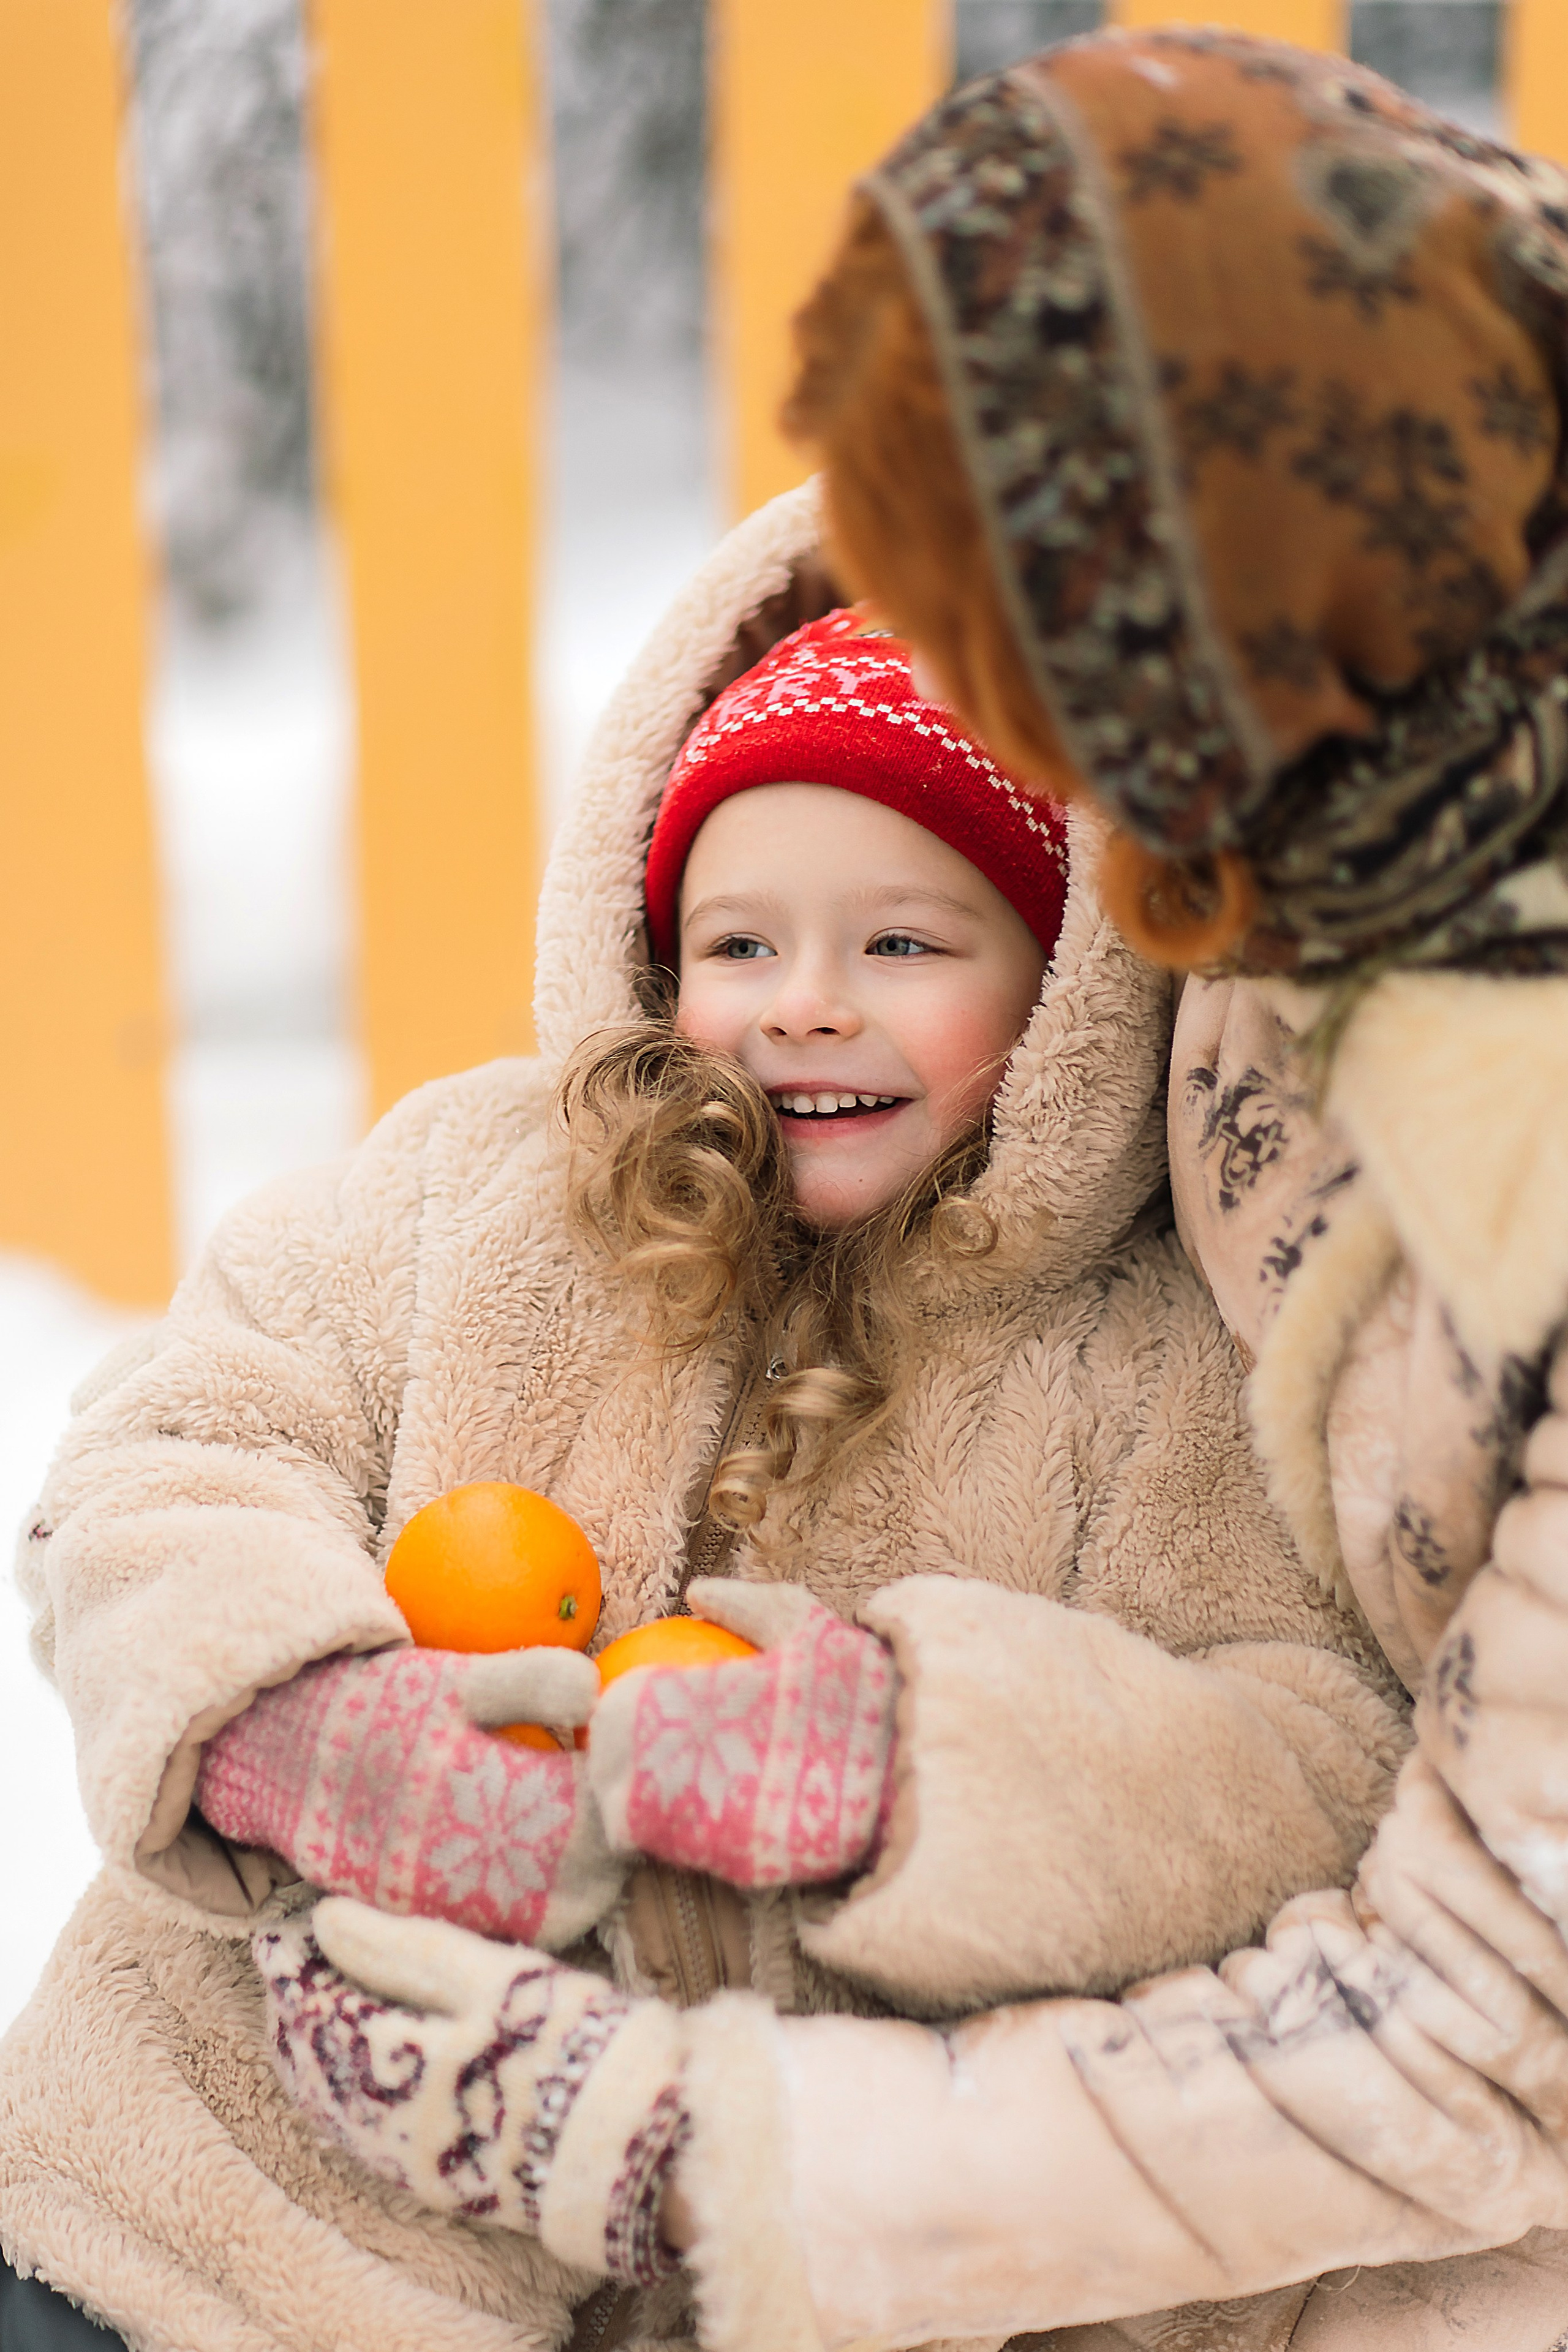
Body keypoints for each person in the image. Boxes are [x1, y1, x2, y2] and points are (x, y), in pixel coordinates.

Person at [268, 25, 1568, 2352]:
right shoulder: (1315, 862)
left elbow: (1481, 2018)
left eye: (1032, 634)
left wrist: (702, 2157)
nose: (1006, 720)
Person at [0, 505, 1401, 2351]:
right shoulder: (477, 1194)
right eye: (742, 942)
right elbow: (181, 1443)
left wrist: (922, 1767)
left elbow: (1307, 1752)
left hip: (814, 2241)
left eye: (903, 940)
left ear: (1068, 987)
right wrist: (295, 1722)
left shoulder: (1157, 1355)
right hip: (263, 2191)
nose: (806, 1002)